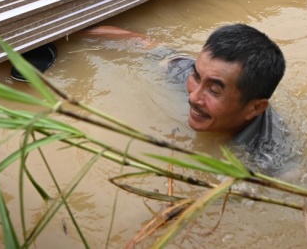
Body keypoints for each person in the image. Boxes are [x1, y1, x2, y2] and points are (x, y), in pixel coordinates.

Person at [78, 23, 287, 169]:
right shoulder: (184, 70)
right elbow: (143, 42)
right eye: (196, 77)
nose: (194, 97)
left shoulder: (269, 157)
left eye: (214, 91)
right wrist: (72, 30)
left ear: (255, 108)